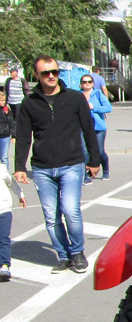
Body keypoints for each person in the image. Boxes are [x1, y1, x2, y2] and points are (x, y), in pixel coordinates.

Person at [13, 56, 101, 274]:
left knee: (70, 210)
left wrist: (94, 160)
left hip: (71, 164)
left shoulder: (74, 98)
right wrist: (19, 167)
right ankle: (63, 256)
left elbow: (88, 129)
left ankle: (78, 252)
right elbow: (24, 136)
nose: (51, 76)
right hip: (42, 168)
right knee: (51, 216)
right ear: (36, 76)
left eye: (54, 71)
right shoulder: (29, 103)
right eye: (45, 73)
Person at [79, 74, 112, 181]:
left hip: (98, 127)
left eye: (89, 82)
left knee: (99, 151)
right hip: (83, 127)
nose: (87, 84)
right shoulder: (78, 95)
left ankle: (106, 170)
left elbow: (108, 108)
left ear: (93, 83)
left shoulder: (98, 94)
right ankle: (86, 175)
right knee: (84, 151)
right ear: (81, 84)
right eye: (84, 82)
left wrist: (94, 107)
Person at [1, 159, 27, 282]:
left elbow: (12, 183)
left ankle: (4, 265)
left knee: (3, 239)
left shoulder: (1, 169)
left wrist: (20, 195)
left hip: (3, 210)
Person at [0, 88, 14, 169]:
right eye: (1, 100)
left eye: (4, 100)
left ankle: (6, 175)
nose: (3, 102)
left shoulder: (6, 109)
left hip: (5, 135)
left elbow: (11, 122)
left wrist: (13, 135)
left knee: (4, 157)